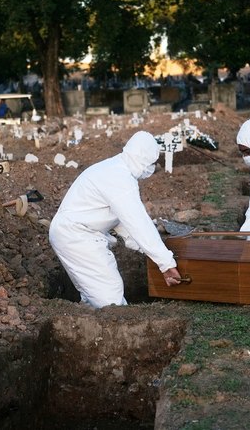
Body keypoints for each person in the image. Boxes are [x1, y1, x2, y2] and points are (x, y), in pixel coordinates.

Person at [49, 131, 182, 308]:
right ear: (144, 160)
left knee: (93, 295)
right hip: (77, 237)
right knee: (110, 297)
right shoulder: (120, 179)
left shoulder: (114, 169)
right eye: (151, 163)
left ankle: (87, 327)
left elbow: (125, 226)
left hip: (73, 235)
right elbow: (138, 223)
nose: (151, 168)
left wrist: (152, 251)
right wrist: (165, 263)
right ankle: (120, 332)